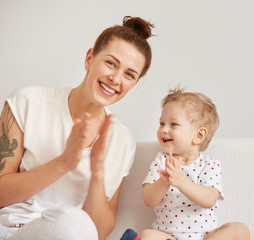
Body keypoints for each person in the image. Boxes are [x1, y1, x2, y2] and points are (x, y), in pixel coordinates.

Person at [0, 16, 154, 240]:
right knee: (73, 223)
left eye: (129, 74)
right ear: (89, 58)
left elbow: (99, 233)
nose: (116, 78)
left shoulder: (122, 140)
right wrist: (64, 163)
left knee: (77, 224)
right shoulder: (26, 102)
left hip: (76, 234)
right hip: (13, 231)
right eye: (111, 63)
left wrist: (97, 171)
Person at [139, 87, 251, 240]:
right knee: (147, 236)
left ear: (199, 135)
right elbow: (149, 200)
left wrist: (180, 181)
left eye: (173, 124)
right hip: (169, 235)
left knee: (240, 230)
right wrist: (164, 181)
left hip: (205, 236)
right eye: (161, 123)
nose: (164, 129)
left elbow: (209, 199)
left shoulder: (209, 165)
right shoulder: (161, 161)